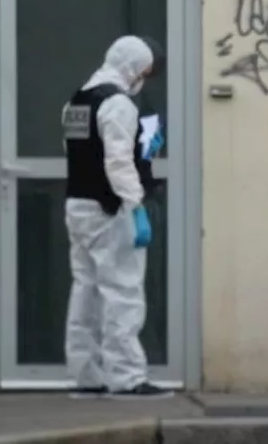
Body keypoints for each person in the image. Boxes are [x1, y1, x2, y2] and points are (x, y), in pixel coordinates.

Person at [61, 35, 172, 399]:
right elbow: (118, 160)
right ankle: (127, 377)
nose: (145, 77)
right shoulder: (118, 103)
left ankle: (87, 374)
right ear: (134, 66)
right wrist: (135, 203)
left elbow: (76, 151)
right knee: (122, 291)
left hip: (78, 205)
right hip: (110, 208)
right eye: (145, 70)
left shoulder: (76, 100)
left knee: (86, 290)